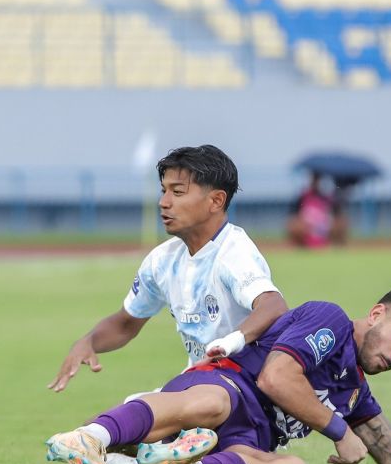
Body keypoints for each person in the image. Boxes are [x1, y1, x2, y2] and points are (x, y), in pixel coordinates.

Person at [45, 287, 391, 464]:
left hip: (247, 440)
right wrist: (339, 431)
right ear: (378, 315)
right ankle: (93, 436)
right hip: (227, 387)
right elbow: (276, 377)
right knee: (213, 402)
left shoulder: (356, 390)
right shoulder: (331, 320)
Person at [49, 144, 288, 393]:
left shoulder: (233, 252)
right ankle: (190, 432)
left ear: (216, 200)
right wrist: (88, 342)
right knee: (100, 425)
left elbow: (273, 305)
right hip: (198, 381)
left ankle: (195, 431)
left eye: (178, 192)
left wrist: (231, 343)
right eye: (164, 191)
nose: (163, 202)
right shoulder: (162, 260)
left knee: (126, 424)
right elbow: (126, 323)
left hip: (241, 386)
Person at [286, 171, 346, 249]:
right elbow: (293, 215)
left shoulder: (328, 197)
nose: (316, 182)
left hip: (324, 227)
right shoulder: (303, 196)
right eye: (314, 179)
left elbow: (336, 215)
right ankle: (299, 246)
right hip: (307, 227)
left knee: (342, 223)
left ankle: (337, 247)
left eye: (318, 179)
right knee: (294, 225)